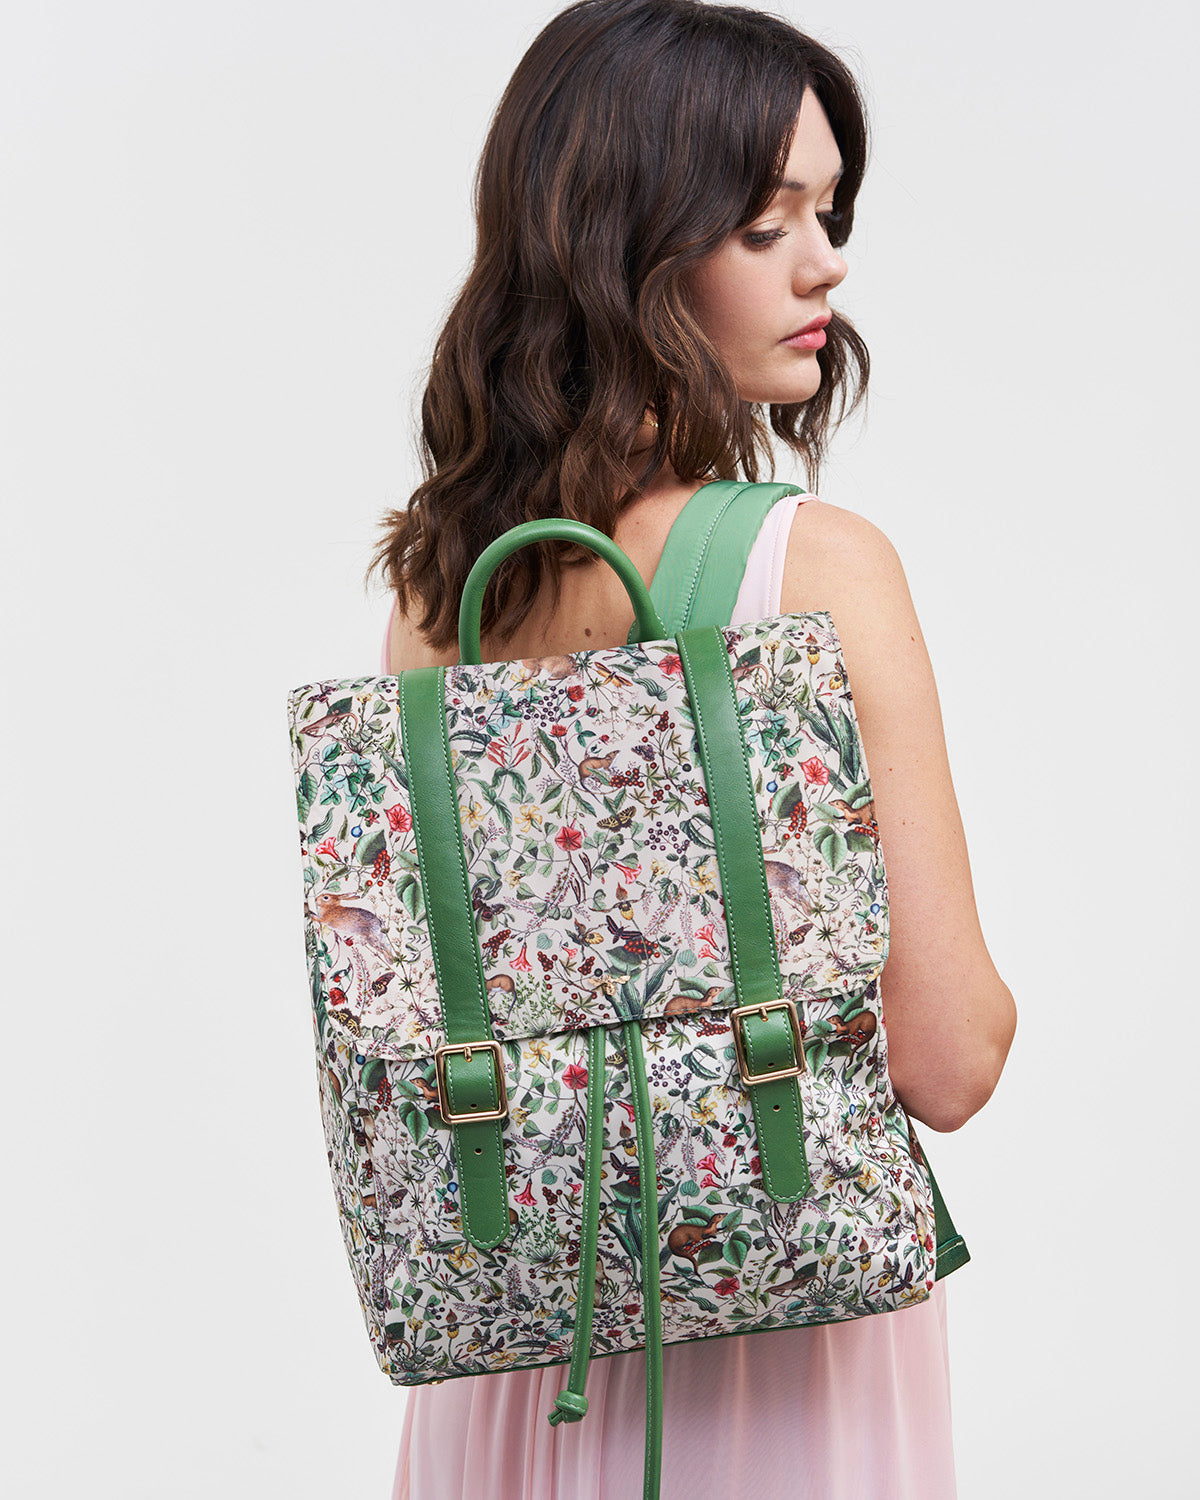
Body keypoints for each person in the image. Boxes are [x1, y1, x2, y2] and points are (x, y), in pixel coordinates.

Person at [369, 2, 1017, 1495]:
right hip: (775, 1359)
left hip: (522, 1363)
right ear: (632, 247)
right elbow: (948, 1057)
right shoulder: (816, 564)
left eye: (830, 214)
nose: (824, 262)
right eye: (766, 221)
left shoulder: (438, 598)